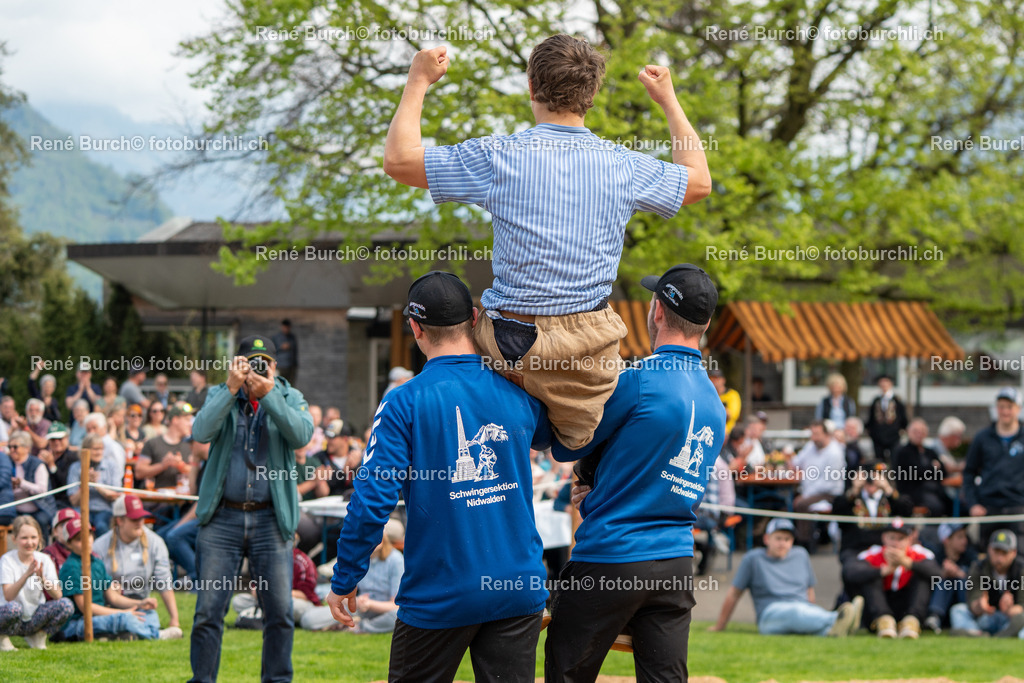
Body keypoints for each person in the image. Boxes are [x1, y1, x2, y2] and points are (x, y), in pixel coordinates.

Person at [385, 36, 711, 453]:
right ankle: (575, 450)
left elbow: (399, 160)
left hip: (508, 347)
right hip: (588, 354)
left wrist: (418, 79)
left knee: (449, 313)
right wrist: (668, 100)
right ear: (592, 93)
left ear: (531, 86)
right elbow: (699, 182)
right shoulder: (624, 165)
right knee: (579, 446)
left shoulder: (498, 156)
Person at [327, 271, 550, 683]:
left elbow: (372, 500)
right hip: (517, 585)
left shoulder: (403, 400)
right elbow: (565, 440)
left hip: (441, 591)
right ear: (475, 318)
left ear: (415, 328)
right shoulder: (518, 389)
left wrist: (346, 577)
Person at [545, 265, 725, 682]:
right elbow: (663, 474)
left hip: (612, 554)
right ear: (705, 323)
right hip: (676, 561)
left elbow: (566, 444)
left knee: (567, 673)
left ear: (657, 311)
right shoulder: (715, 403)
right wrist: (601, 485)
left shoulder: (638, 380)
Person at [189, 335, 313, 683]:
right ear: (236, 365)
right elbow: (200, 432)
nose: (257, 369)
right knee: (208, 611)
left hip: (271, 518)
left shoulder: (289, 396)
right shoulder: (221, 392)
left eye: (264, 363)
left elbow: (301, 436)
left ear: (275, 366)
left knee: (280, 612)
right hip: (222, 517)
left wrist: (269, 395)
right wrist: (230, 389)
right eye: (250, 362)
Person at [710, 518, 862, 636]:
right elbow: (734, 593)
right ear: (766, 539)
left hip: (803, 610)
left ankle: (833, 630)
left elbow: (809, 590)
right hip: (770, 615)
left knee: (803, 613)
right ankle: (838, 618)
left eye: (787, 539)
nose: (782, 543)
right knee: (796, 611)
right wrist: (720, 625)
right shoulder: (752, 559)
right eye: (778, 538)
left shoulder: (801, 554)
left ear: (792, 541)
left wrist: (811, 609)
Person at [93, 494, 181, 640]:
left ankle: (121, 634)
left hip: (140, 604)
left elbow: (164, 582)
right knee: (102, 621)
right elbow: (94, 588)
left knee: (151, 619)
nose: (140, 523)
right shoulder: (100, 546)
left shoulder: (156, 542)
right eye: (134, 519)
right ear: (119, 520)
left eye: (142, 517)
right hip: (110, 605)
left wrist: (174, 619)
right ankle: (154, 634)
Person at [58, 517, 160, 641]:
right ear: (69, 544)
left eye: (88, 536)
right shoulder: (71, 567)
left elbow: (113, 597)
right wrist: (122, 613)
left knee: (149, 612)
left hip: (102, 614)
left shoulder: (97, 563)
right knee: (125, 619)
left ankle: (138, 633)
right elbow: (85, 607)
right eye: (79, 539)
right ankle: (154, 634)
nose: (86, 542)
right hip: (80, 622)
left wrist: (139, 603)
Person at [843, 519, 940, 639]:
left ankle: (911, 622)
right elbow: (849, 572)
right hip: (879, 606)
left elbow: (938, 574)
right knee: (871, 577)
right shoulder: (872, 553)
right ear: (884, 538)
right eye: (892, 538)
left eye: (900, 539)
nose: (895, 543)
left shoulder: (920, 553)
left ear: (909, 540)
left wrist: (908, 563)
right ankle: (884, 621)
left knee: (923, 577)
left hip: (909, 604)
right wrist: (882, 571)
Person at [307, 520, 404, 632]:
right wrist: (349, 600)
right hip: (358, 607)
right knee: (309, 619)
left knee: (398, 615)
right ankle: (352, 624)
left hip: (383, 610)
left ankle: (359, 627)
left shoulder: (396, 560)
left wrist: (369, 604)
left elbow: (396, 605)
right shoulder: (358, 558)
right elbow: (346, 591)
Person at [962, 387, 1024, 550]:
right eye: (1001, 406)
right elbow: (969, 473)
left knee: (1019, 555)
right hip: (989, 508)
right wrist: (973, 503)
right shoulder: (982, 438)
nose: (1005, 411)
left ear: (1018, 409)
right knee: (987, 555)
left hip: (1018, 508)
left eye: (1009, 407)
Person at [0, 516, 74, 651]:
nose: (29, 542)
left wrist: (42, 579)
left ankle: (37, 635)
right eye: (24, 538)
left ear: (39, 538)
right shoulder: (7, 560)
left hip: (33, 616)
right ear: (14, 539)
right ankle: (2, 637)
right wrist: (26, 575)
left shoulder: (44, 559)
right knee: (14, 608)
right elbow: (8, 596)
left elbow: (58, 595)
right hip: (11, 615)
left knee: (66, 605)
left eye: (33, 537)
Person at [232, 535, 324, 631]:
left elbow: (305, 595)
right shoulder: (266, 559)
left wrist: (276, 593)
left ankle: (265, 616)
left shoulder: (302, 562)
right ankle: (270, 616)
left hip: (295, 602)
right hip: (268, 600)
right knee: (239, 601)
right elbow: (255, 589)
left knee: (291, 605)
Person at [949, 529, 1024, 637]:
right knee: (958, 610)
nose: (999, 558)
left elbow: (1022, 606)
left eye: (1004, 553)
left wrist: (1009, 610)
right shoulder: (979, 567)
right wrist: (980, 606)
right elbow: (972, 601)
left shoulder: (1021, 570)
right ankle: (979, 634)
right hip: (985, 618)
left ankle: (997, 636)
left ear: (1014, 553)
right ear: (989, 549)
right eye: (996, 552)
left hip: (1009, 620)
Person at [792, 421, 845, 549]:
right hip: (809, 490)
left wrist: (806, 494)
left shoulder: (835, 453)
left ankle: (804, 542)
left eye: (817, 434)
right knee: (787, 499)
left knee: (801, 504)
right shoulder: (811, 446)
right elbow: (796, 462)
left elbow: (829, 483)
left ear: (826, 434)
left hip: (828, 493)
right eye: (812, 434)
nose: (813, 438)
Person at [923, 523, 977, 634]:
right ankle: (935, 616)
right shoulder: (935, 555)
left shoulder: (970, 555)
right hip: (944, 605)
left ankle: (936, 616)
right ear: (947, 540)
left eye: (965, 536)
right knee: (946, 581)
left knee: (958, 580)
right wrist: (941, 573)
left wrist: (960, 573)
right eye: (960, 537)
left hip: (964, 604)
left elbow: (977, 579)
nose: (965, 541)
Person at [892, 418, 950, 516]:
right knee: (937, 507)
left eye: (922, 431)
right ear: (908, 432)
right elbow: (916, 473)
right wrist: (933, 467)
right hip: (914, 494)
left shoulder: (929, 451)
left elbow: (943, 471)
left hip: (935, 491)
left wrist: (929, 469)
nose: (919, 434)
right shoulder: (903, 452)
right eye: (915, 431)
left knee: (955, 504)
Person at [68, 434, 121, 536]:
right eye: (95, 449)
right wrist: (85, 483)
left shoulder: (111, 465)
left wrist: (95, 484)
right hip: (81, 509)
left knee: (101, 526)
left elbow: (115, 495)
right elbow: (73, 501)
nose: (99, 452)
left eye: (101, 449)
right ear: (86, 450)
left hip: (104, 509)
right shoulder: (75, 468)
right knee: (77, 528)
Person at [136, 403, 193, 490]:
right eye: (187, 420)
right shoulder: (153, 443)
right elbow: (139, 472)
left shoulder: (190, 446)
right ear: (175, 420)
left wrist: (181, 465)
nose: (190, 424)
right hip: (156, 497)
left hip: (182, 497)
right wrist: (162, 465)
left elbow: (197, 472)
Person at [6, 431, 55, 531]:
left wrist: (21, 483)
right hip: (15, 510)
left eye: (15, 447)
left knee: (41, 521)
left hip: (39, 508)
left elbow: (42, 490)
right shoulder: (7, 463)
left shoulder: (37, 464)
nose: (11, 450)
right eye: (9, 447)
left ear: (27, 448)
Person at [865, 374, 907, 463]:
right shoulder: (876, 400)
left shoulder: (897, 400)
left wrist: (901, 430)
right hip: (878, 436)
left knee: (894, 459)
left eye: (886, 382)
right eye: (881, 383)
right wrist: (870, 431)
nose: (884, 385)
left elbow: (902, 416)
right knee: (879, 462)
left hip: (893, 435)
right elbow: (871, 417)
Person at [83, 412, 126, 480]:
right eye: (88, 429)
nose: (91, 432)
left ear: (104, 427)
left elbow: (118, 473)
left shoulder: (113, 447)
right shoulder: (85, 446)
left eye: (94, 427)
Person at [41, 508, 80, 573]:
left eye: (72, 524)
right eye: (63, 525)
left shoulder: (88, 553)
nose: (67, 528)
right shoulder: (48, 554)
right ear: (55, 531)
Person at [710, 369, 742, 434]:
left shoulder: (732, 394)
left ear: (723, 380)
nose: (714, 381)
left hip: (728, 433)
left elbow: (731, 415)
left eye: (717, 378)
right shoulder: (708, 395)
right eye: (712, 378)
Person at [272, 319, 300, 386]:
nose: (286, 329)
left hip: (290, 366)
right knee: (279, 384)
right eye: (285, 327)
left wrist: (295, 364)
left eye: (288, 327)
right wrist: (281, 347)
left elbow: (295, 352)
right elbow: (272, 351)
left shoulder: (292, 337)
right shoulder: (276, 337)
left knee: (290, 385)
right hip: (280, 365)